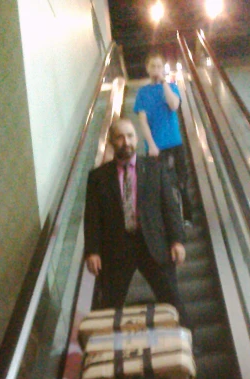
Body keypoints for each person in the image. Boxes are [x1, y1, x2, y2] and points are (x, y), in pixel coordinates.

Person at [83, 117, 189, 328]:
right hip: (118, 249)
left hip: (153, 245)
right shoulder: (98, 177)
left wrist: (177, 241)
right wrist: (92, 251)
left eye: (130, 136)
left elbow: (170, 208)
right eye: (120, 137)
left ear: (137, 138)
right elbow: (92, 217)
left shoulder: (154, 168)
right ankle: (108, 349)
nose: (126, 142)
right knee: (110, 306)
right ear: (112, 142)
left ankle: (188, 339)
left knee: (172, 299)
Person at [133, 50, 193, 224]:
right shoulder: (142, 93)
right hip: (156, 147)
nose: (156, 69)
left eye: (159, 66)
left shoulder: (172, 87)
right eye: (153, 66)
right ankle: (166, 221)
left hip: (175, 143)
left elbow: (174, 105)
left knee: (181, 181)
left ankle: (186, 217)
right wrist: (151, 145)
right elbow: (142, 121)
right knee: (159, 186)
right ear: (147, 69)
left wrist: (164, 83)